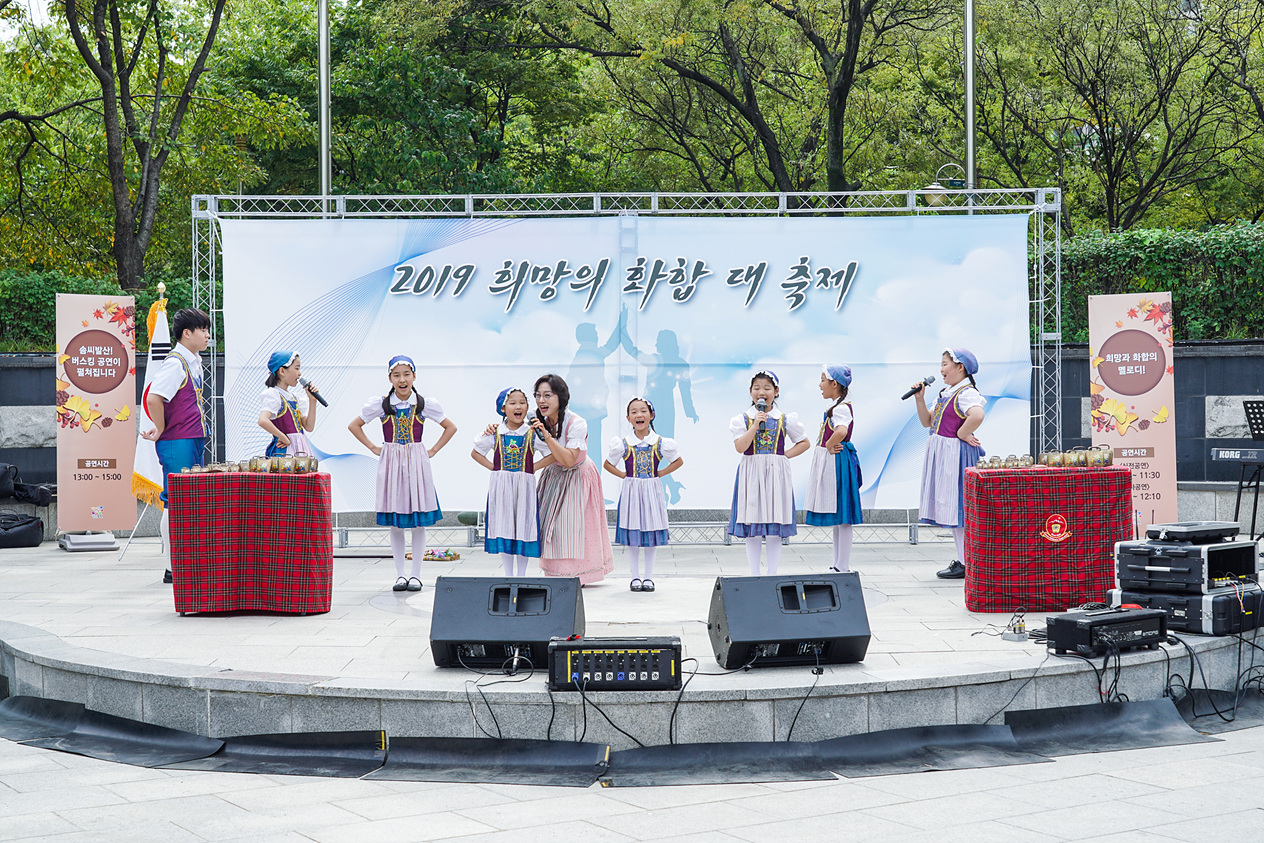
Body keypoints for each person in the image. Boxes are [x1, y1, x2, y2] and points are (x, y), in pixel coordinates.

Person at [348, 356, 457, 592]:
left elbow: (451, 427)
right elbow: (354, 425)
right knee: (396, 523)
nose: (402, 379)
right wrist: (374, 448)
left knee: (418, 522)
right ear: (390, 378)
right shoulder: (383, 404)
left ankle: (416, 575)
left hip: (416, 462)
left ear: (414, 376)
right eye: (396, 375)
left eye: (406, 374)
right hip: (392, 462)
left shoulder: (423, 404)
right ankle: (400, 574)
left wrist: (433, 450)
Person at [141, 308, 211, 585]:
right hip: (177, 440)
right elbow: (154, 398)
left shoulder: (192, 360)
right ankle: (172, 566)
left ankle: (185, 560)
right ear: (187, 333)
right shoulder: (175, 363)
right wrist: (160, 429)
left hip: (191, 437)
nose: (207, 335)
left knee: (188, 501)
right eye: (203, 330)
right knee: (175, 502)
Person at [910, 348, 986, 579]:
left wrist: (963, 433)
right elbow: (927, 421)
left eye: (945, 364)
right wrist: (920, 399)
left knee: (959, 507)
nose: (941, 369)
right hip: (944, 453)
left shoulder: (966, 392)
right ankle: (963, 560)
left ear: (960, 367)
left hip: (956, 454)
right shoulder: (947, 392)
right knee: (954, 509)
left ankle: (966, 562)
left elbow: (978, 415)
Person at [531, 373, 614, 585]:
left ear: (561, 397)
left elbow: (568, 459)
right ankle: (556, 574)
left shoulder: (577, 423)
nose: (542, 400)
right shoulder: (536, 419)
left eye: (548, 395)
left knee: (576, 527)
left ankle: (580, 575)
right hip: (553, 475)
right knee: (552, 526)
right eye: (538, 395)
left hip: (577, 475)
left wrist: (547, 436)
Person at [728, 370, 810, 574]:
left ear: (776, 391)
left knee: (775, 525)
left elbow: (804, 443)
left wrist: (782, 456)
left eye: (767, 388)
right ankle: (754, 573)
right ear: (750, 392)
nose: (761, 392)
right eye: (757, 388)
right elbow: (740, 447)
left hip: (776, 474)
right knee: (753, 524)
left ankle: (772, 573)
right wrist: (755, 424)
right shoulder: (743, 419)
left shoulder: (784, 419)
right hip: (751, 471)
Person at [471, 388, 556, 577]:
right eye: (512, 403)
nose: (518, 406)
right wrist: (495, 468)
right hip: (501, 485)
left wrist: (533, 467)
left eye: (522, 402)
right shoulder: (495, 432)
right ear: (503, 408)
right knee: (505, 525)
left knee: (523, 525)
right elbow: (476, 452)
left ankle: (521, 575)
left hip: (524, 485)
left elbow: (551, 454)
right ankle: (508, 574)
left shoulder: (532, 433)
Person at [603, 397, 683, 592]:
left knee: (650, 528)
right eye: (634, 412)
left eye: (643, 411)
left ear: (651, 415)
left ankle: (649, 576)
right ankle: (635, 576)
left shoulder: (660, 442)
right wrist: (624, 475)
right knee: (633, 530)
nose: (639, 414)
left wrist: (659, 474)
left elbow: (678, 461)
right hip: (631, 490)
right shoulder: (623, 444)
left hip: (652, 489)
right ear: (628, 418)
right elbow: (607, 464)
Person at [804, 364, 863, 572]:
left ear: (834, 383)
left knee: (843, 516)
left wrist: (829, 444)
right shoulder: (837, 407)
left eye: (823, 380)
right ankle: (838, 563)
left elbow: (841, 430)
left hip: (838, 463)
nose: (820, 385)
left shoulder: (840, 408)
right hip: (834, 462)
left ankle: (842, 565)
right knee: (840, 517)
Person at [257, 351, 319, 457]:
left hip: (300, 448)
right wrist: (282, 437)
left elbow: (309, 426)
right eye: (296, 368)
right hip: (284, 450)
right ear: (282, 371)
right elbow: (263, 420)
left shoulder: (296, 397)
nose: (300, 373)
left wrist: (313, 400)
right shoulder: (274, 395)